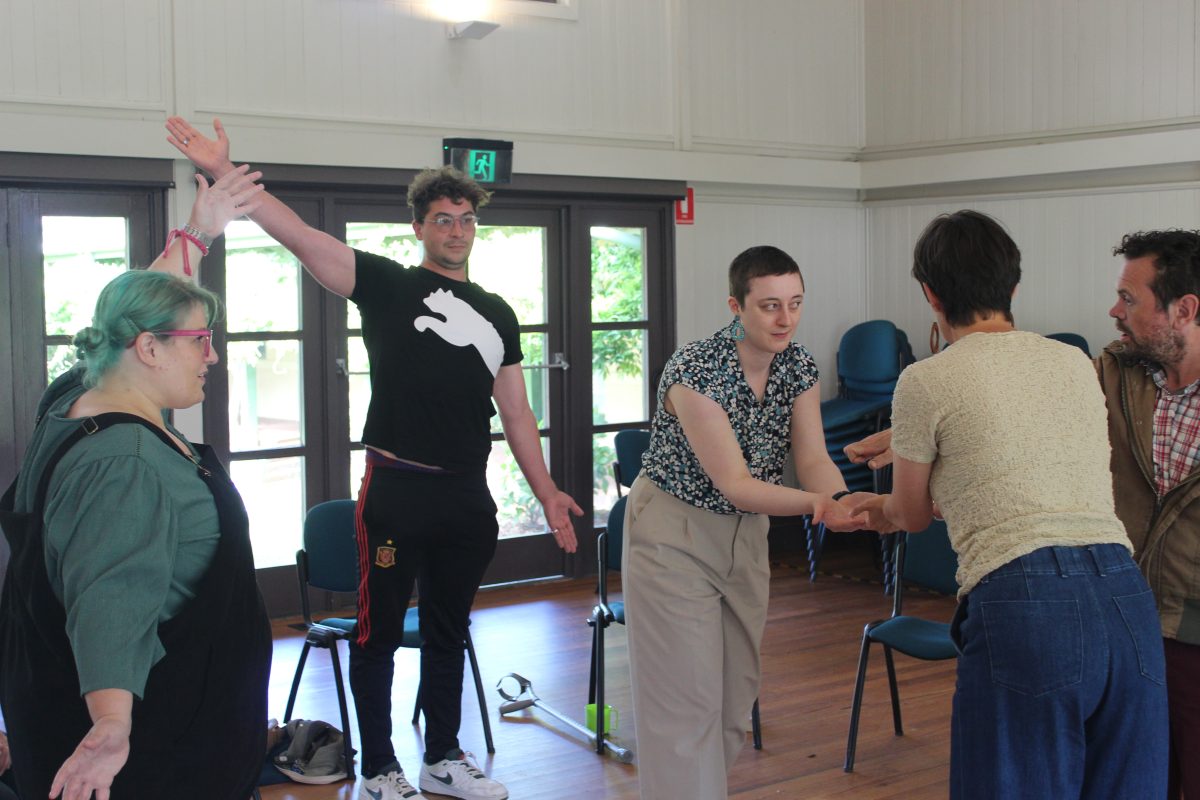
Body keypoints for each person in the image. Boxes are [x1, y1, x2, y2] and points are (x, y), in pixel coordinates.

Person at [164, 116, 582, 800]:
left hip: (466, 496)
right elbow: (303, 236)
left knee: (451, 631)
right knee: (378, 635)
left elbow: (517, 411)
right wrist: (223, 175)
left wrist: (546, 491)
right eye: (443, 219)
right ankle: (380, 767)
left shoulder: (498, 312)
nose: (456, 230)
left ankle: (444, 758)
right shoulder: (387, 285)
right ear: (419, 226)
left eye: (466, 220)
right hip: (396, 490)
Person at [848, 210, 1168, 798]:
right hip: (1126, 596)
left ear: (930, 293)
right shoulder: (1073, 363)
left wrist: (881, 509)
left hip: (1025, 601)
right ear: (1013, 287)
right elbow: (1024, 477)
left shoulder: (924, 380)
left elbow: (913, 515)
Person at [0, 167, 272, 800]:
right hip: (158, 757)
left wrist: (198, 235)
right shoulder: (126, 464)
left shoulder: (75, 395)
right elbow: (111, 600)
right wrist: (112, 726)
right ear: (149, 350)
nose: (212, 355)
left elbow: (130, 311)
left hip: (140, 726)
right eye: (201, 340)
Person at [623, 245, 875, 800]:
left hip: (745, 535)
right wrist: (817, 508)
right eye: (769, 306)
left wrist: (839, 497)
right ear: (736, 305)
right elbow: (734, 483)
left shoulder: (798, 365)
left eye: (795, 304)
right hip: (673, 533)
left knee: (734, 704)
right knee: (684, 706)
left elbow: (811, 457)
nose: (785, 319)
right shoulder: (695, 369)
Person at [1099, 229, 1200, 800]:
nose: (1114, 311)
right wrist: (918, 437)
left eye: (1130, 299)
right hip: (1127, 620)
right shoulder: (1116, 372)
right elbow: (1022, 408)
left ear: (1183, 309)